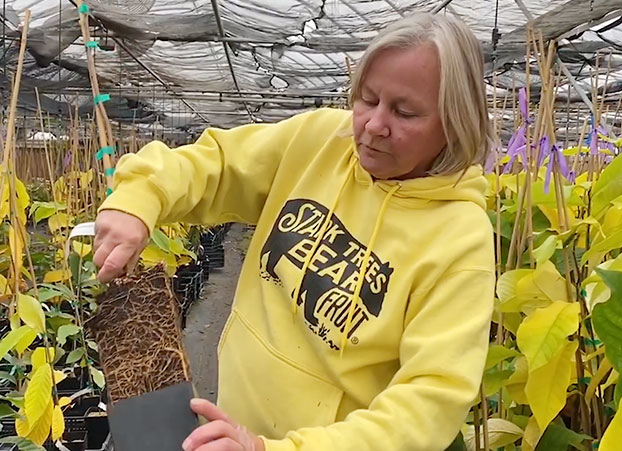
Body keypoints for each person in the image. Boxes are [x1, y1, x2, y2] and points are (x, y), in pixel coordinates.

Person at [93, 12, 496, 451]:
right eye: (367, 98)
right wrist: (139, 199)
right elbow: (218, 163)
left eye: (404, 112)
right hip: (231, 425)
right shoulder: (321, 141)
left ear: (455, 121)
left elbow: (428, 405)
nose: (374, 125)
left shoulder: (460, 238)